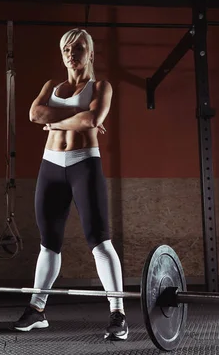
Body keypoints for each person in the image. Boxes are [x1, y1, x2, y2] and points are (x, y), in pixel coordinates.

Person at [11, 28, 128, 341]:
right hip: (50, 166)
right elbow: (35, 114)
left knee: (99, 241)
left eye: (77, 49)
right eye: (66, 50)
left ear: (89, 53)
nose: (71, 55)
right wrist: (78, 112)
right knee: (48, 242)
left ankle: (118, 313)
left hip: (83, 165)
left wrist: (58, 119)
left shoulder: (101, 86)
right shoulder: (52, 85)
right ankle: (37, 310)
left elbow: (92, 121)